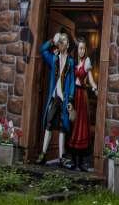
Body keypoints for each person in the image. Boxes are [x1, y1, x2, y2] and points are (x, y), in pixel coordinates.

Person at [37, 32, 75, 165]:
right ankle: (43, 154)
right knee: (48, 124)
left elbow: (71, 82)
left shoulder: (71, 62)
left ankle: (60, 158)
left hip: (64, 100)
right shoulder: (53, 59)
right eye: (60, 42)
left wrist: (70, 99)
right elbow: (42, 50)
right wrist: (52, 41)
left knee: (62, 127)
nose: (61, 44)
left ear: (67, 45)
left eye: (63, 42)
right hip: (54, 98)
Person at [65, 38, 98, 171]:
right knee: (72, 125)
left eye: (84, 48)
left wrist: (95, 88)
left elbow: (90, 78)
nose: (82, 51)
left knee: (81, 126)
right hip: (73, 95)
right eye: (80, 48)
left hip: (82, 95)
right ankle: (73, 161)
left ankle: (81, 162)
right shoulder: (72, 62)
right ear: (77, 49)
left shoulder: (87, 61)